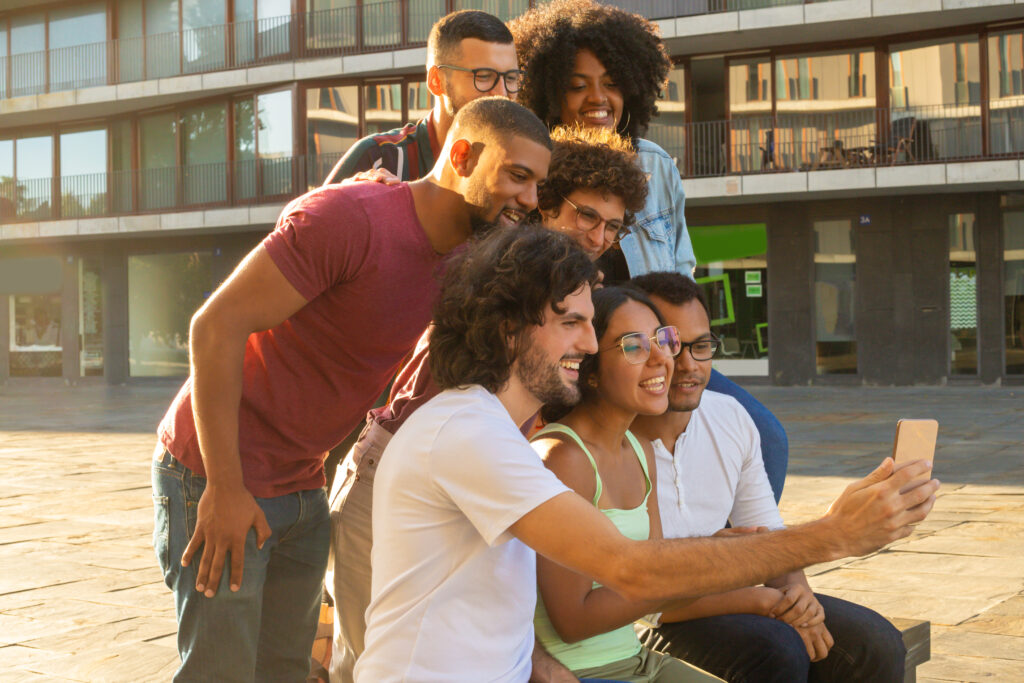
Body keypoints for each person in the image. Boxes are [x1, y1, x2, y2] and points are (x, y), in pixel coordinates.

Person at [355, 224, 939, 681]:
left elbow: (476, 592)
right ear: (509, 327)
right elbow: (627, 568)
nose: (587, 343)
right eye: (570, 323)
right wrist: (835, 533)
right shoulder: (468, 432)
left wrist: (537, 665)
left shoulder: (494, 430)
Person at [150, 97, 551, 681]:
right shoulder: (353, 216)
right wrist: (225, 489)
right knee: (221, 672)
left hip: (303, 484)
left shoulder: (469, 260)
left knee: (285, 670)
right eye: (519, 176)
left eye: (539, 183)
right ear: (461, 154)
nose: (531, 199)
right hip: (215, 470)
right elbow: (214, 326)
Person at [326, 123, 649, 682]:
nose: (598, 236)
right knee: (367, 656)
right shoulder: (496, 272)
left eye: (614, 227)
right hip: (395, 466)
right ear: (544, 207)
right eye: (586, 216)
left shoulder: (572, 289)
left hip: (472, 471)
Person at [510, 0, 789, 502]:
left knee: (766, 438)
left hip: (654, 350)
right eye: (577, 84)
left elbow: (679, 275)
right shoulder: (534, 172)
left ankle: (728, 551)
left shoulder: (655, 167)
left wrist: (680, 353)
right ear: (548, 91)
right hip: (570, 364)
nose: (598, 98)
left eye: (612, 82)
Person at [629, 271, 907, 683]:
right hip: (648, 621)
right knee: (775, 650)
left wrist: (800, 599)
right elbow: (640, 599)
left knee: (875, 643)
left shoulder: (729, 416)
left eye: (702, 346)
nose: (688, 364)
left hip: (726, 597)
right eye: (673, 345)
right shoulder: (616, 437)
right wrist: (763, 600)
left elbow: (770, 538)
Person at [531, 285, 717, 682]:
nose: (661, 359)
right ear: (591, 370)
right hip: (582, 672)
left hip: (639, 660)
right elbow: (573, 620)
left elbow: (657, 584)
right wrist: (708, 563)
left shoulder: (639, 448)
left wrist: (726, 562)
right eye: (633, 346)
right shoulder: (563, 458)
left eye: (662, 340)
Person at [323, 9, 521, 184]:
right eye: (484, 77)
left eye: (511, 78)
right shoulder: (378, 158)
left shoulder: (526, 165)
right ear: (436, 81)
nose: (502, 93)